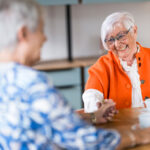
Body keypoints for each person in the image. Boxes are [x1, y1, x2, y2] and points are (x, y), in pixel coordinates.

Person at [0, 1, 150, 149]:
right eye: (40, 30)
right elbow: (87, 141)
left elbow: (58, 120)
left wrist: (92, 116)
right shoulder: (32, 85)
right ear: (23, 33)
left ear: (134, 31)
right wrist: (137, 136)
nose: (44, 38)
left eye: (121, 36)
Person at [83, 12, 150, 112]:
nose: (117, 44)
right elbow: (91, 95)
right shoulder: (102, 66)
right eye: (111, 40)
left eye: (121, 36)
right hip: (119, 126)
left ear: (134, 31)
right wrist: (96, 109)